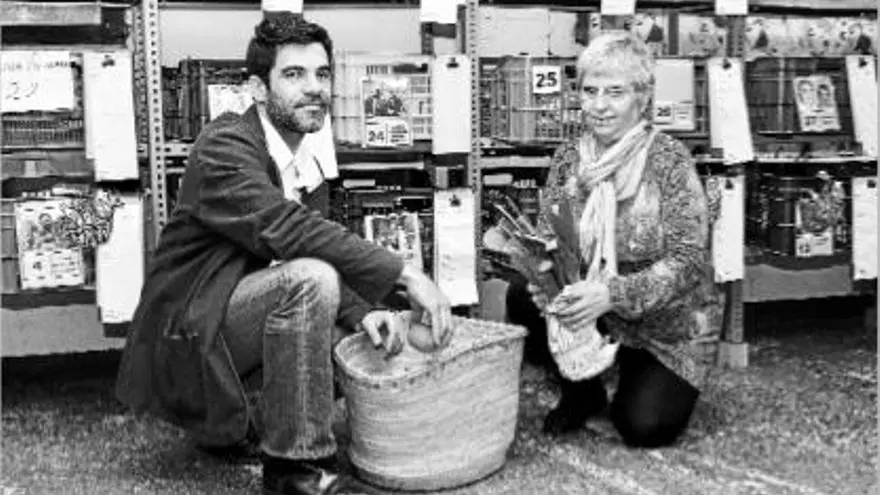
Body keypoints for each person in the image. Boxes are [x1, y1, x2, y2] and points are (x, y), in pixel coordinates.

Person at [115, 13, 453, 495]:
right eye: (293, 74)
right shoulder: (224, 146)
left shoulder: (307, 157)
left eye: (322, 74)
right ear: (258, 88)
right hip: (192, 335)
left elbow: (314, 245)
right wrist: (406, 275)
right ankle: (296, 471)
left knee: (356, 329)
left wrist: (363, 312)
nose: (314, 88)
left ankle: (246, 424)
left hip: (238, 321)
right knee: (310, 280)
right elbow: (288, 231)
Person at [505, 32, 723, 448]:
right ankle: (582, 392)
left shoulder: (669, 160)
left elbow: (688, 260)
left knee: (644, 427)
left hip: (668, 325)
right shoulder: (569, 158)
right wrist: (545, 280)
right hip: (595, 308)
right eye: (590, 91)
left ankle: (633, 367)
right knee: (520, 295)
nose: (599, 105)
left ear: (642, 97)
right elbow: (549, 236)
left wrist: (612, 294)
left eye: (615, 92)